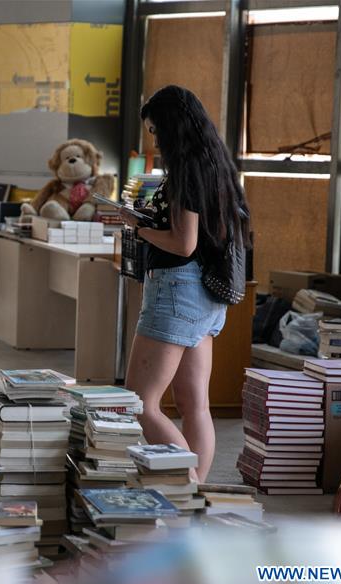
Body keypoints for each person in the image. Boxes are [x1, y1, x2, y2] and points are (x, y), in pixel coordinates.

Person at [118, 85, 251, 482]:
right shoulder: (216, 164)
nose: (154, 140)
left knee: (141, 403)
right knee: (195, 405)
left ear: (174, 129)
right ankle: (196, 500)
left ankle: (187, 484)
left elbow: (183, 242)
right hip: (206, 299)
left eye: (157, 131)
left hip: (178, 290)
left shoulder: (187, 171)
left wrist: (138, 229)